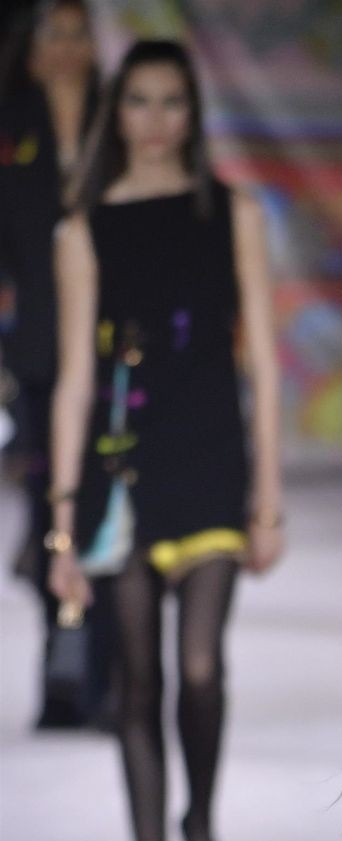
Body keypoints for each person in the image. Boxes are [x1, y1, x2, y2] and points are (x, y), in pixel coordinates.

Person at [44, 38, 283, 841]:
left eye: (171, 101)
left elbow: (262, 361)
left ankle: (199, 825)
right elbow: (74, 378)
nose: (154, 120)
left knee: (200, 670)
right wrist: (63, 521)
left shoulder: (232, 213)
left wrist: (268, 495)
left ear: (193, 111)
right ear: (118, 112)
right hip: (125, 469)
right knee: (137, 687)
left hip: (211, 458)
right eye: (138, 101)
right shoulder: (83, 228)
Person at [0, 0, 106, 728]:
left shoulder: (120, 125)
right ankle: (61, 670)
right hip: (37, 358)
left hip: (115, 353)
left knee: (114, 508)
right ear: (32, 52)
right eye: (54, 36)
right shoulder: (11, 129)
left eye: (78, 35)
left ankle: (110, 674)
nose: (67, 48)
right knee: (50, 510)